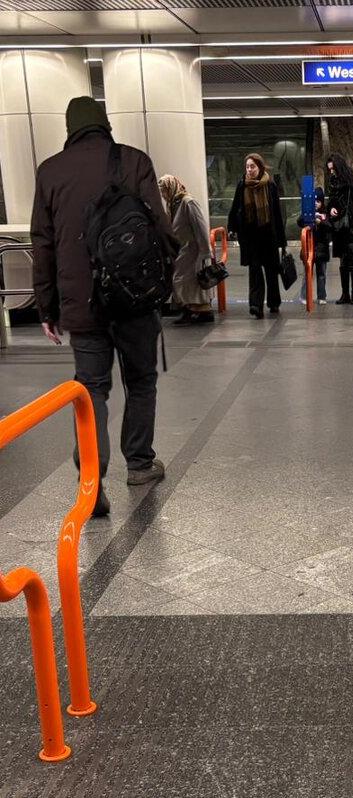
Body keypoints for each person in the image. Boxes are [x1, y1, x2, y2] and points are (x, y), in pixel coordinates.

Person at [31, 96, 178, 517]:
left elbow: (43, 245)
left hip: (82, 304)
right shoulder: (132, 161)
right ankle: (140, 463)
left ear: (69, 127)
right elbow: (162, 230)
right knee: (141, 380)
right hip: (134, 299)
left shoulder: (51, 171)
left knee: (91, 388)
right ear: (105, 123)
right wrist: (161, 284)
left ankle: (92, 486)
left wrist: (46, 307)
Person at [227, 154, 286, 319]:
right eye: (247, 167)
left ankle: (274, 302)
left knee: (271, 271)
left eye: (252, 166)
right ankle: (256, 305)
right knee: (254, 271)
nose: (249, 170)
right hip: (250, 236)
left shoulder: (270, 185)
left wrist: (282, 240)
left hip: (268, 236)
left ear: (260, 167)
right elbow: (235, 207)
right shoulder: (242, 185)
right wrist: (231, 227)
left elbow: (278, 213)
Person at [158, 175, 214, 326]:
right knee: (186, 280)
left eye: (165, 190)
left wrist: (205, 251)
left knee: (185, 280)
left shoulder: (188, 202)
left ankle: (194, 310)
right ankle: (195, 309)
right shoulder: (173, 204)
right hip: (183, 249)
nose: (163, 194)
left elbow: (200, 227)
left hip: (192, 249)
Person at [325, 154, 353, 305]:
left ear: (339, 167)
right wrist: (331, 210)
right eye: (329, 170)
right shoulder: (332, 182)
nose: (331, 172)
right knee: (343, 262)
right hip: (339, 227)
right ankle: (345, 293)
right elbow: (330, 202)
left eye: (333, 169)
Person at [297, 186, 331, 305]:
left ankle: (322, 296)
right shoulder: (307, 213)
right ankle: (304, 296)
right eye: (314, 202)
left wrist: (320, 222)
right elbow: (299, 222)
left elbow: (329, 227)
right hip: (308, 247)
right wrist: (308, 217)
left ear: (322, 202)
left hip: (322, 249)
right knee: (307, 274)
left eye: (318, 201)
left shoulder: (325, 214)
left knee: (321, 274)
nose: (316, 204)